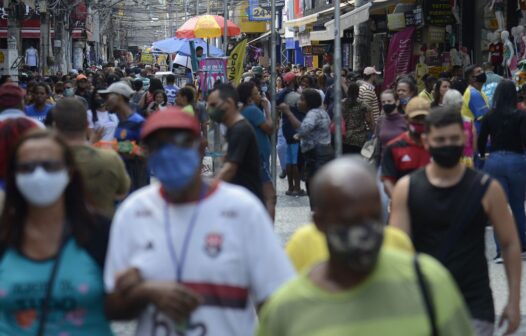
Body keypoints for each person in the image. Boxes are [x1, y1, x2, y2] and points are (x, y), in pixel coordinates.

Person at [103, 108, 294, 335]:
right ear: (147, 153)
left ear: (200, 145)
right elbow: (111, 305)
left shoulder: (242, 210)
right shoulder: (133, 212)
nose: (170, 151)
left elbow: (277, 300)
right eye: (158, 145)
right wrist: (145, 292)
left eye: (181, 140)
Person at [258, 157, 474, 336]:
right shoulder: (284, 310)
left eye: (373, 218)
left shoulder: (429, 283)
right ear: (319, 224)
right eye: (349, 220)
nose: (363, 231)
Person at [390, 107, 522, 336]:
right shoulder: (407, 189)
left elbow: (510, 243)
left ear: (465, 138)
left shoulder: (488, 189)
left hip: (473, 305)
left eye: (453, 138)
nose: (448, 144)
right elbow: (396, 252)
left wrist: (514, 301)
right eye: (440, 139)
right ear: (426, 141)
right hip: (422, 304)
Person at [0, 130, 114, 335]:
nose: (38, 176)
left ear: (69, 172)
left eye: (50, 166)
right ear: (14, 175)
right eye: (27, 168)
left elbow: (121, 306)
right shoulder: (4, 235)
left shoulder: (100, 231)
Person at [53, 98, 130, 218]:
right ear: (86, 124)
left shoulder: (47, 161)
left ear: (55, 125)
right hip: (101, 231)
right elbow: (122, 192)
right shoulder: (110, 159)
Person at [478, 79, 526, 262]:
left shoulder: (490, 115)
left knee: (498, 207)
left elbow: (482, 140)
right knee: (517, 205)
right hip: (517, 161)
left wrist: (482, 156)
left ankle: (502, 251)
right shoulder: (521, 115)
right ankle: (522, 245)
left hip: (495, 161)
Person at [280, 89, 333, 209]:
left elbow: (303, 129)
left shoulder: (313, 113)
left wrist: (288, 113)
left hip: (317, 155)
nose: (299, 102)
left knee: (314, 188)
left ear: (309, 102)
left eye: (302, 99)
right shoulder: (321, 112)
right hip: (321, 153)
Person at [210, 84, 264, 201]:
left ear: (229, 103)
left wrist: (207, 192)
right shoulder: (234, 129)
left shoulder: (240, 130)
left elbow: (230, 169)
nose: (209, 109)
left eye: (213, 105)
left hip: (247, 201)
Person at [99, 81, 148, 192]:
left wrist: (114, 146)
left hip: (136, 185)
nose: (105, 101)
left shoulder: (138, 122)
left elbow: (147, 152)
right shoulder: (120, 122)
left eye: (108, 97)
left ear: (119, 97)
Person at [237, 82, 276, 218]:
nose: (260, 95)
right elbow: (270, 128)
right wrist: (268, 110)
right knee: (270, 196)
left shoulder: (243, 110)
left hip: (256, 155)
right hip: (259, 157)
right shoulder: (253, 110)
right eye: (256, 93)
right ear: (249, 97)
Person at [381, 97, 431, 198]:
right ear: (407, 119)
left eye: (424, 118)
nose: (421, 122)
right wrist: (399, 202)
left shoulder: (437, 145)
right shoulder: (393, 147)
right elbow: (388, 181)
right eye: (416, 118)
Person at [278, 72, 305, 196]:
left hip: (286, 128)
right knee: (295, 160)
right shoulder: (295, 96)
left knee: (289, 159)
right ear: (293, 81)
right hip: (295, 129)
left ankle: (290, 187)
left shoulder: (282, 95)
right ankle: (297, 187)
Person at [443, 89, 476, 167]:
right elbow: (474, 146)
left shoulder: (440, 123)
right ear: (461, 104)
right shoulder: (469, 122)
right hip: (467, 161)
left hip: (447, 162)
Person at [341, 82, 372, 154]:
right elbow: (368, 121)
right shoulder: (363, 105)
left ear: (348, 92)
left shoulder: (342, 103)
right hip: (359, 138)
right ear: (358, 92)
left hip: (345, 137)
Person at [461, 64, 490, 133]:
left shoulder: (480, 92)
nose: (483, 73)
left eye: (482, 70)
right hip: (475, 135)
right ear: (472, 78)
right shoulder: (473, 94)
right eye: (479, 72)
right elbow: (485, 118)